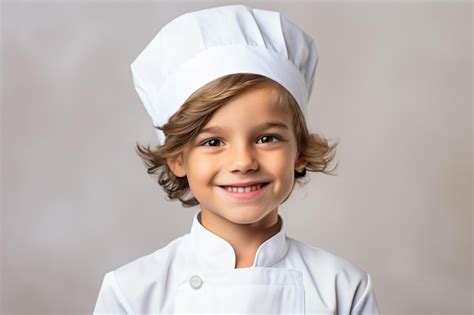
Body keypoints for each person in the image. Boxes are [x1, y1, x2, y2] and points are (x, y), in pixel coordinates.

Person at [93, 4, 380, 314]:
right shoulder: (132, 293)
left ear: (299, 150)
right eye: (213, 142)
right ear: (178, 158)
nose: (243, 161)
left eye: (266, 138)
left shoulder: (342, 288)